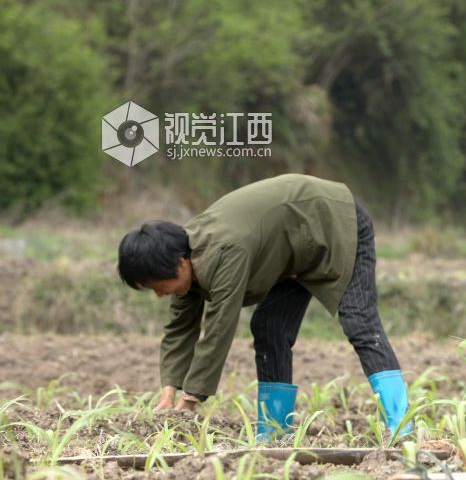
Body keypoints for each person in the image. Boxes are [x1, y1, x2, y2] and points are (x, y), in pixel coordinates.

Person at [117, 174, 410, 436]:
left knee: (360, 321)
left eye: (158, 287)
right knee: (269, 326)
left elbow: (219, 327)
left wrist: (190, 399)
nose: (159, 295)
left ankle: (402, 425)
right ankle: (274, 431)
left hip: (334, 221)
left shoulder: (225, 252)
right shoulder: (181, 254)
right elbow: (179, 331)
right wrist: (168, 394)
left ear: (181, 264)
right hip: (290, 247)